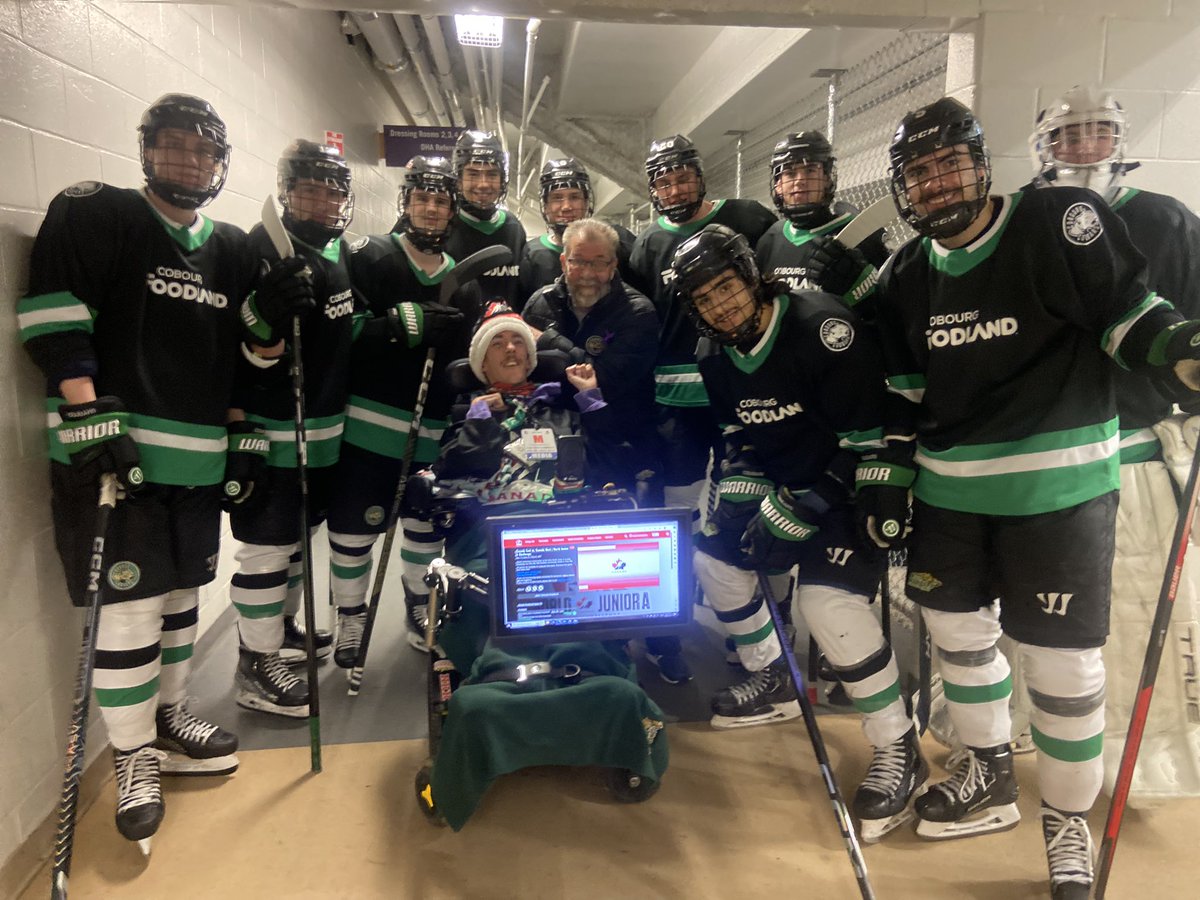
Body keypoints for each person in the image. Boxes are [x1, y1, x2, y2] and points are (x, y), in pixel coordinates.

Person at [871, 96, 1200, 899]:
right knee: (957, 635)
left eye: (950, 163)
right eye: (921, 171)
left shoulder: (1061, 222)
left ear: (981, 162)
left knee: (1062, 667)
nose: (939, 182)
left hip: (1060, 484)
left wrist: (1185, 350)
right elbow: (903, 401)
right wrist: (886, 480)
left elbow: (1131, 318)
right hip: (953, 494)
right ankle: (986, 771)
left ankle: (1065, 817)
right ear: (903, 187)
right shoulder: (906, 276)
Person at [17, 94, 313, 845]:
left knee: (183, 596)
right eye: (174, 146)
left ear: (221, 164)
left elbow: (249, 360)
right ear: (147, 149)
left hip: (198, 458)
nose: (188, 160)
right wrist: (89, 418)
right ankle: (131, 755)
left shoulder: (237, 251)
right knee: (129, 610)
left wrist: (268, 337)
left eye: (203, 151)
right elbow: (56, 317)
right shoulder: (97, 214)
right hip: (119, 456)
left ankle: (172, 715)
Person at [669, 224, 925, 842]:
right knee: (713, 562)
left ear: (751, 276)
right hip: (785, 483)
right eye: (704, 299)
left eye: (726, 287)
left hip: (854, 481)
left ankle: (898, 743)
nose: (720, 305)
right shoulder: (713, 354)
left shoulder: (821, 327)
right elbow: (740, 436)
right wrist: (741, 491)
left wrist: (807, 503)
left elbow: (868, 437)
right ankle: (775, 674)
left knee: (826, 604)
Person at [1029, 85, 1200, 804]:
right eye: (1070, 134)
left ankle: (1145, 763)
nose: (1084, 146)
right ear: (1046, 146)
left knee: (1138, 615)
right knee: (1049, 627)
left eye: (1099, 131)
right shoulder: (1028, 222)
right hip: (1050, 450)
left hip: (1135, 450)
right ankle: (1056, 758)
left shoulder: (1166, 221)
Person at [629, 134, 776, 683]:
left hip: (734, 380)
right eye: (663, 180)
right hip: (672, 396)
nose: (674, 188)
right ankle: (678, 604)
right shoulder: (646, 243)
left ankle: (750, 615)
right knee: (678, 503)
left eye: (682, 176)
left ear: (701, 175)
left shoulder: (747, 218)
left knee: (742, 496)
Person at [228, 140, 359, 717]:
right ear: (287, 191)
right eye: (311, 188)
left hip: (322, 432)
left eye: (334, 190)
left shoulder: (335, 253)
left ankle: (279, 632)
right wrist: (264, 318)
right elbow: (237, 348)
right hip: (275, 430)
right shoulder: (259, 251)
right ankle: (254, 666)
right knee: (265, 550)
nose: (324, 200)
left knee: (296, 548)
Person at [326, 156, 474, 666]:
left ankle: (419, 602)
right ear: (405, 203)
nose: (431, 209)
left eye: (441, 201)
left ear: (452, 210)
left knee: (423, 526)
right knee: (353, 531)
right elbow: (337, 330)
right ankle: (350, 616)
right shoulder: (367, 254)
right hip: (369, 430)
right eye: (421, 199)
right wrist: (396, 323)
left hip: (431, 432)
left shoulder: (464, 279)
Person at [522, 218, 659, 493]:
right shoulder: (540, 303)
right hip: (549, 444)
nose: (588, 272)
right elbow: (525, 374)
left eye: (599, 262)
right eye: (579, 261)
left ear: (613, 265)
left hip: (615, 446)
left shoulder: (638, 312)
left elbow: (605, 380)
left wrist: (548, 341)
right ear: (563, 262)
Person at [755, 131, 890, 316]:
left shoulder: (863, 234)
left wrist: (860, 288)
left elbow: (890, 316)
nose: (800, 181)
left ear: (827, 178)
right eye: (790, 173)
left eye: (810, 170)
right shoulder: (768, 241)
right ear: (778, 185)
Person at [516, 158, 642, 304]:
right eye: (557, 198)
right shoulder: (531, 255)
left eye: (574, 197)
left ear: (586, 201)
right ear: (545, 205)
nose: (566, 206)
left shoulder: (617, 242)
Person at [443, 130, 525, 308]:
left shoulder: (514, 227)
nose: (483, 184)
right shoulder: (441, 224)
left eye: (492, 174)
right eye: (473, 174)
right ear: (458, 180)